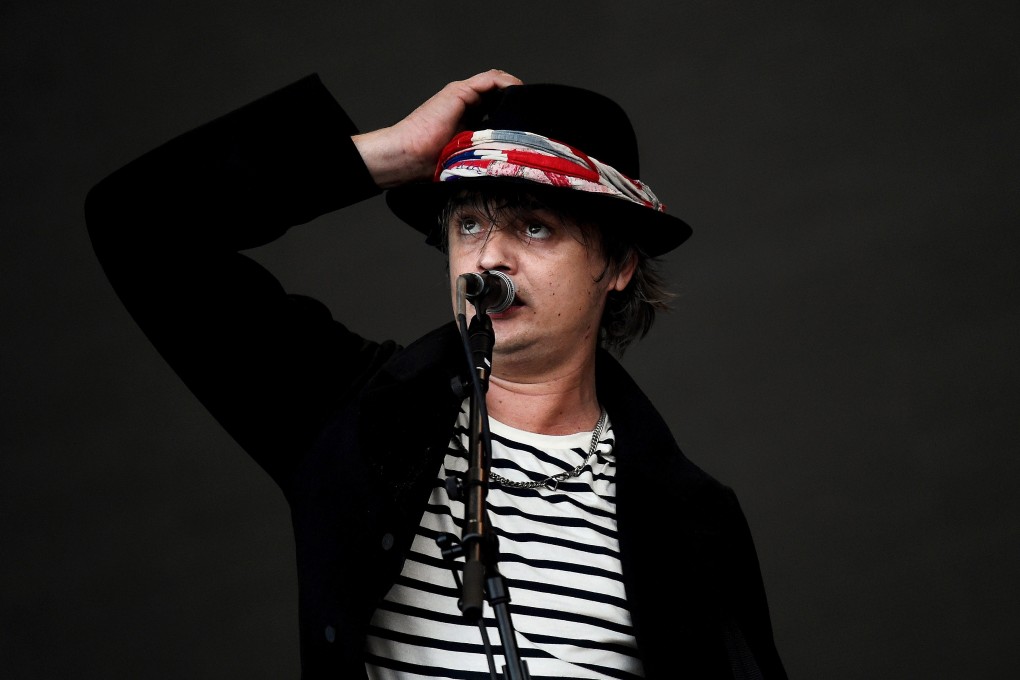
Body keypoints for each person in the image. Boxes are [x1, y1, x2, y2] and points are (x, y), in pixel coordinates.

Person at [85, 68, 787, 679]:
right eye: (470, 225)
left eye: (534, 226)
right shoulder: (357, 420)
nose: (490, 260)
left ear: (619, 265)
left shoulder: (692, 517)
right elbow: (139, 223)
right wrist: (386, 155)